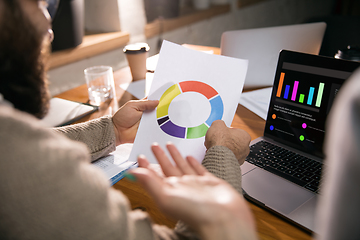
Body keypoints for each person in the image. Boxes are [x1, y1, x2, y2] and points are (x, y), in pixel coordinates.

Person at [0, 0, 257, 239]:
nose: (49, 27)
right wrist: (223, 158)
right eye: (39, 3)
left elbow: (38, 144)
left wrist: (111, 129)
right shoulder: (18, 164)